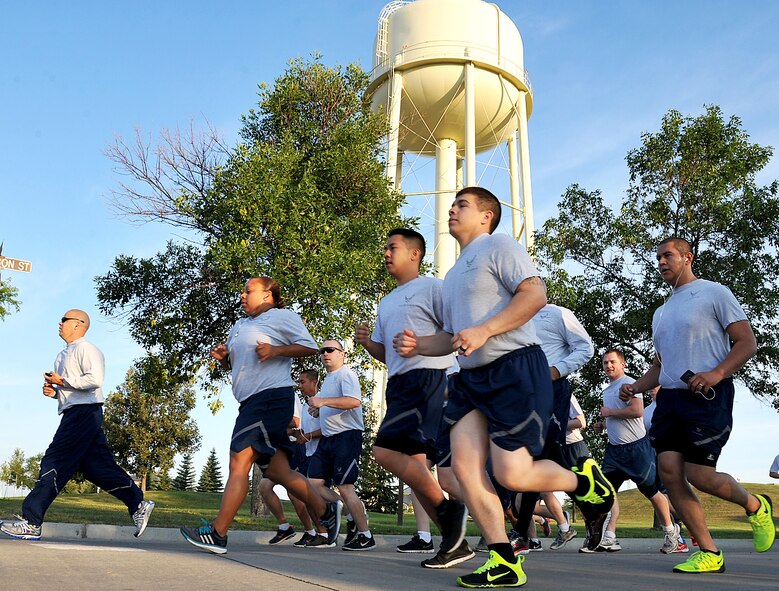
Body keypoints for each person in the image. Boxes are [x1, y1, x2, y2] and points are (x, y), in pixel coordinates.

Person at [394, 186, 615, 588]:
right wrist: (419, 345)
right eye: (452, 205)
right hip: (470, 380)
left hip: (514, 369)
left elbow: (534, 294)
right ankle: (503, 559)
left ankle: (583, 482)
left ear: (486, 216)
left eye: (462, 205)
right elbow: (453, 336)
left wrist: (485, 330)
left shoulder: (499, 245)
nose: (451, 210)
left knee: (512, 474)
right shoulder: (452, 274)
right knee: (461, 470)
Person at [620, 237, 775, 574]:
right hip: (671, 399)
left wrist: (717, 372)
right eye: (658, 257)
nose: (661, 262)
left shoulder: (713, 293)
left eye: (668, 256)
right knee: (670, 472)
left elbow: (747, 342)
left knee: (700, 475)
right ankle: (708, 551)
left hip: (708, 396)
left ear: (688, 257)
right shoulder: (660, 313)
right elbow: (661, 366)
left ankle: (755, 505)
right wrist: (636, 386)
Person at [180, 277, 339, 554]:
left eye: (248, 291)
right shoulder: (240, 325)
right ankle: (325, 510)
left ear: (267, 295)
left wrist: (276, 350)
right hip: (250, 402)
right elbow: (236, 363)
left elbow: (310, 346)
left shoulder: (281, 317)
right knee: (279, 471)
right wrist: (224, 358)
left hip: (270, 398)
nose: (242, 295)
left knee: (239, 459)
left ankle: (218, 533)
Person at [355, 228, 467, 560]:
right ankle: (453, 542)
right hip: (400, 384)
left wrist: (448, 374)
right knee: (417, 468)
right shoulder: (386, 301)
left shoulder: (433, 288)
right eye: (385, 248)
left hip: (428, 380)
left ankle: (452, 513)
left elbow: (454, 333)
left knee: (383, 452)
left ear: (415, 254)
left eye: (393, 247)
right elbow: (388, 354)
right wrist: (367, 343)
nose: (386, 253)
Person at [0, 309, 155, 541]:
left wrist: (61, 381)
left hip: (85, 414)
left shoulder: (87, 349)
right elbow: (72, 390)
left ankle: (31, 521)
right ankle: (138, 503)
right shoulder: (62, 355)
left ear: (78, 324)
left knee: (54, 461)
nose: (59, 323)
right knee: (97, 469)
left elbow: (95, 380)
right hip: (76, 413)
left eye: (64, 320)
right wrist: (54, 393)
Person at [511, 303, 595, 554]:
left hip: (552, 390)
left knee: (538, 460)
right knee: (535, 462)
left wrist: (557, 371)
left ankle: (522, 533)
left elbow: (586, 347)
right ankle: (594, 509)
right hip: (525, 397)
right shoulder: (516, 317)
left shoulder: (558, 313)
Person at [589, 349, 678, 554]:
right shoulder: (607, 391)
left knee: (651, 492)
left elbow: (636, 411)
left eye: (612, 362)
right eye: (605, 363)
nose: (608, 366)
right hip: (614, 451)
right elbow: (616, 416)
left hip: (636, 448)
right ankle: (609, 536)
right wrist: (603, 425)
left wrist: (610, 413)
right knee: (605, 492)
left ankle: (671, 531)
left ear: (623, 364)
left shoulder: (630, 384)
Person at [307, 339, 373, 551]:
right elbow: (333, 403)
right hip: (327, 439)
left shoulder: (346, 374)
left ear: (342, 354)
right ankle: (351, 510)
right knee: (314, 483)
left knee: (345, 487)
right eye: (322, 351)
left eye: (330, 350)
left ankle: (365, 535)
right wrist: (320, 410)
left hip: (346, 437)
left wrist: (323, 402)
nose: (325, 354)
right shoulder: (328, 379)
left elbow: (354, 401)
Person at [261, 389, 316, 545]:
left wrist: (271, 422)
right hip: (276, 449)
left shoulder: (287, 393)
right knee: (264, 487)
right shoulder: (266, 396)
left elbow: (296, 421)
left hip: (292, 447)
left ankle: (311, 531)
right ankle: (285, 526)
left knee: (294, 493)